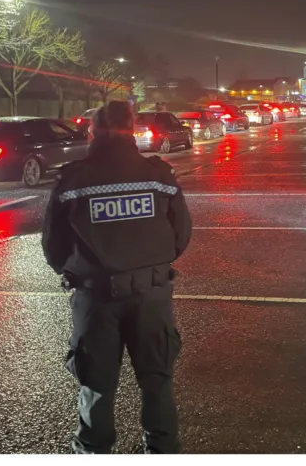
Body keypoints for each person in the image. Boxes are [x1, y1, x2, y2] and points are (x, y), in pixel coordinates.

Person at [42, 100, 193, 454]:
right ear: (132, 130)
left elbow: (54, 245)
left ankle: (94, 452)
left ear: (94, 132)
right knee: (157, 381)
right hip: (151, 296)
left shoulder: (73, 179)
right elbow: (181, 235)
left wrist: (81, 268)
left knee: (97, 386)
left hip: (96, 300)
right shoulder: (159, 176)